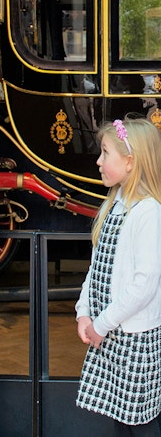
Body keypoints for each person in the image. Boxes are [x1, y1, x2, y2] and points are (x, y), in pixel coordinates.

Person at [75, 115, 161, 436]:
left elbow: (144, 285)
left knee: (141, 424)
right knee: (120, 420)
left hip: (134, 338)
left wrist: (100, 324)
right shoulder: (114, 205)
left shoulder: (148, 212)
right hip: (110, 333)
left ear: (130, 162)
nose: (98, 161)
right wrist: (83, 312)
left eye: (105, 152)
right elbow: (97, 267)